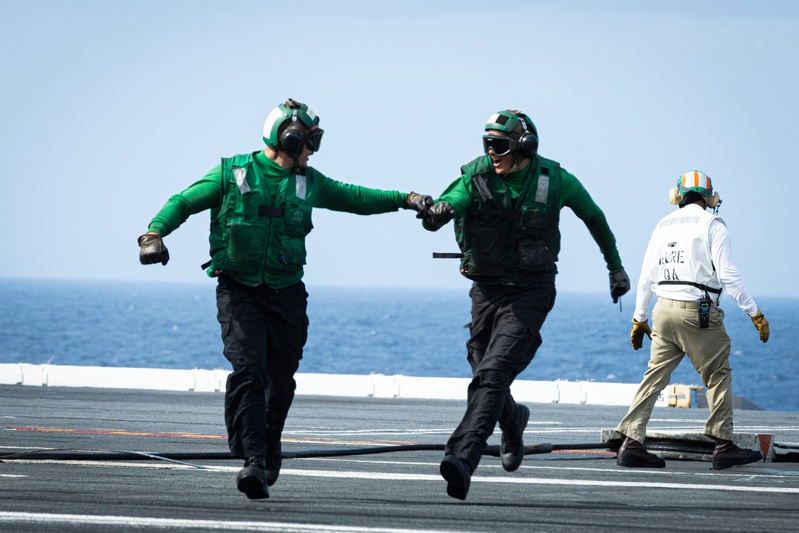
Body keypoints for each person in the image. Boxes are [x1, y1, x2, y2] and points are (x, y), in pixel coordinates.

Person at [138, 98, 432, 500]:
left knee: (280, 381)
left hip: (287, 295)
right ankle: (253, 461)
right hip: (240, 291)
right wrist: (154, 234)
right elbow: (183, 202)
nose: (311, 152)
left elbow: (357, 198)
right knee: (249, 370)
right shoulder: (232, 173)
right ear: (289, 141)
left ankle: (269, 439)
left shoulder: (308, 182)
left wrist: (407, 199)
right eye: (308, 143)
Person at [423, 109, 630, 500]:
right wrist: (439, 213)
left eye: (499, 146)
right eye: (487, 145)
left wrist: (615, 268)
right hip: (486, 292)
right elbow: (453, 198)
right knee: (482, 368)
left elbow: (594, 218)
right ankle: (513, 419)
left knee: (494, 372)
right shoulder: (477, 177)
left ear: (523, 147)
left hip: (531, 291)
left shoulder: (555, 181)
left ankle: (463, 459)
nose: (491, 152)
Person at [615, 170, 770, 470]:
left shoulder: (662, 225)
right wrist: (754, 312)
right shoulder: (713, 224)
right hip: (696, 312)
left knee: (654, 377)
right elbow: (727, 275)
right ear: (709, 198)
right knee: (717, 375)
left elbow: (647, 274)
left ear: (677, 196)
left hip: (663, 312)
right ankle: (723, 445)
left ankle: (631, 443)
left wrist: (639, 318)